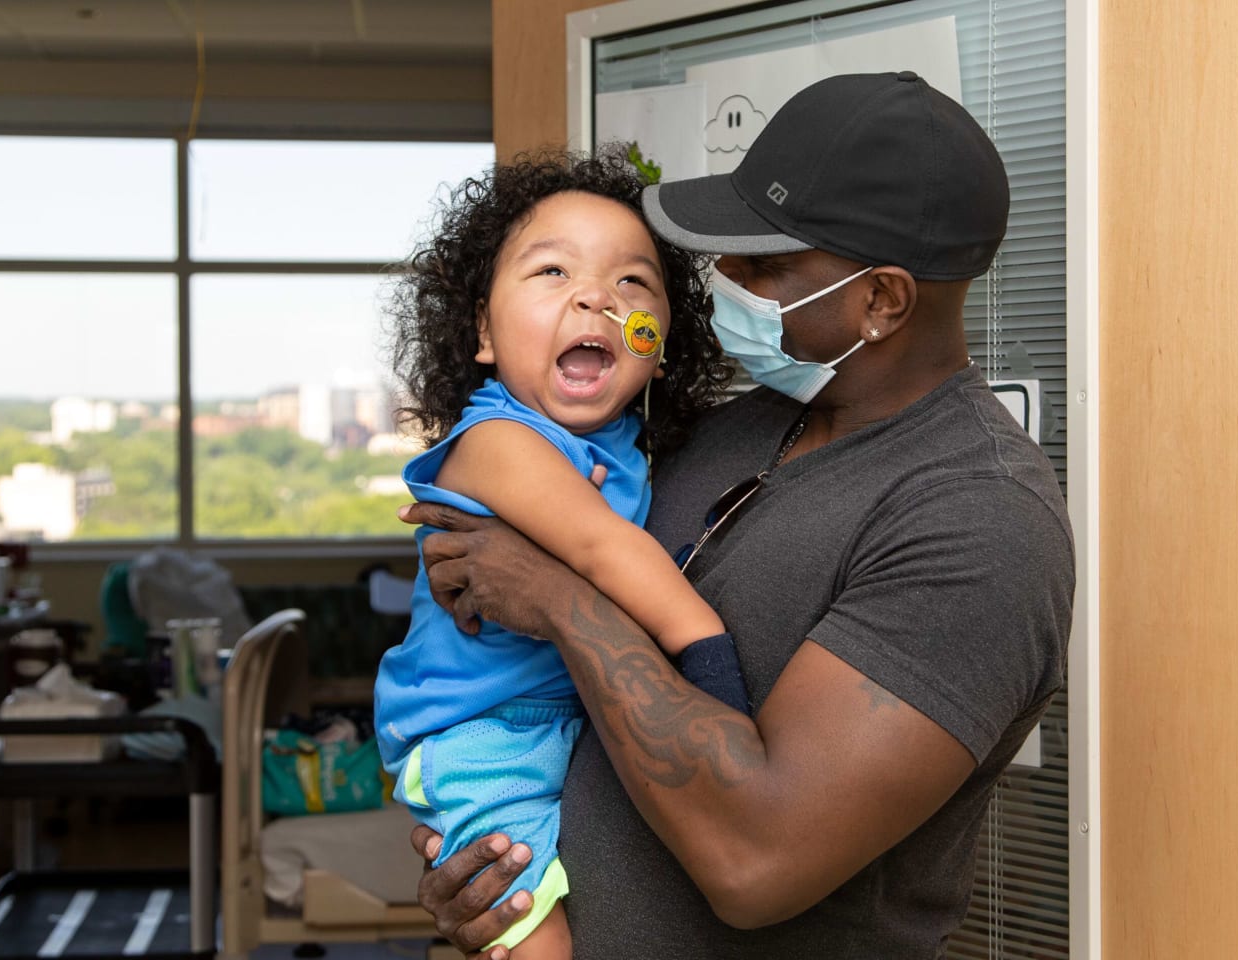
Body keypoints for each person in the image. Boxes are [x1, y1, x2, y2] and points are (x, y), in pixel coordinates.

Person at [402, 71, 1075, 960]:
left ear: (882, 301)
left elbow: (758, 863)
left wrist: (559, 600)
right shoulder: (730, 430)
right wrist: (495, 885)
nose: (726, 278)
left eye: (768, 263)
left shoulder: (978, 522)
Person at [373, 150, 748, 959]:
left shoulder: (635, 445)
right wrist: (712, 668)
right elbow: (603, 548)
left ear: (660, 339)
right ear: (481, 330)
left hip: (574, 724)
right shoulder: (497, 441)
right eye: (550, 272)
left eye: (634, 285)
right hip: (483, 734)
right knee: (530, 933)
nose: (595, 298)